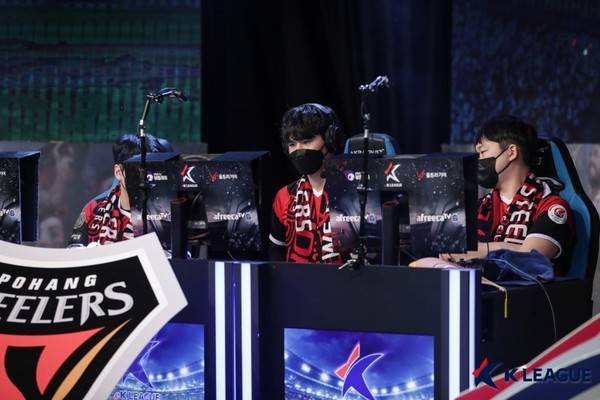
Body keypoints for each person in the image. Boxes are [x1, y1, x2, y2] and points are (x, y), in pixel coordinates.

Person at [417, 115, 574, 275]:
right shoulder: (479, 207)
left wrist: (482, 250)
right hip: (474, 284)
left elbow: (533, 256)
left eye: (483, 152)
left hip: (521, 289)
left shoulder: (552, 207)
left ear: (511, 152)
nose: (477, 160)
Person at [269, 103, 346, 263]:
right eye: (292, 144)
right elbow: (276, 256)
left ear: (330, 140)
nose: (299, 149)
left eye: (306, 141)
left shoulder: (354, 192)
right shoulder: (284, 196)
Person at [68, 134, 167, 247]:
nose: (146, 177)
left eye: (152, 169)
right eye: (137, 169)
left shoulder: (166, 214)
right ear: (118, 172)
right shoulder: (93, 209)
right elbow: (73, 248)